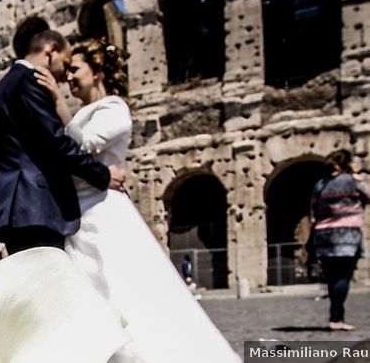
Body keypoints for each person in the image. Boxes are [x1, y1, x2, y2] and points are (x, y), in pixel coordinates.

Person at [34, 37, 238, 363]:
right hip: (78, 216)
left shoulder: (114, 108)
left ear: (97, 72)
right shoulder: (83, 113)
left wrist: (58, 102)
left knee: (121, 290)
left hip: (103, 212)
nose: (69, 77)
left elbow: (84, 145)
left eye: (75, 69)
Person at [0, 29, 125, 255]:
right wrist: (104, 175)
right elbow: (57, 143)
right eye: (65, 63)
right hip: (35, 207)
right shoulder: (28, 83)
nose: (64, 75)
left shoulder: (6, 86)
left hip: (19, 208)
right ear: (51, 50)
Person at [310, 149, 370, 332]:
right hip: (347, 234)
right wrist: (355, 175)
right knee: (343, 276)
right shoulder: (353, 181)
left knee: (331, 278)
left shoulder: (320, 184)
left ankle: (335, 316)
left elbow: (313, 208)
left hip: (323, 235)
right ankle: (336, 318)